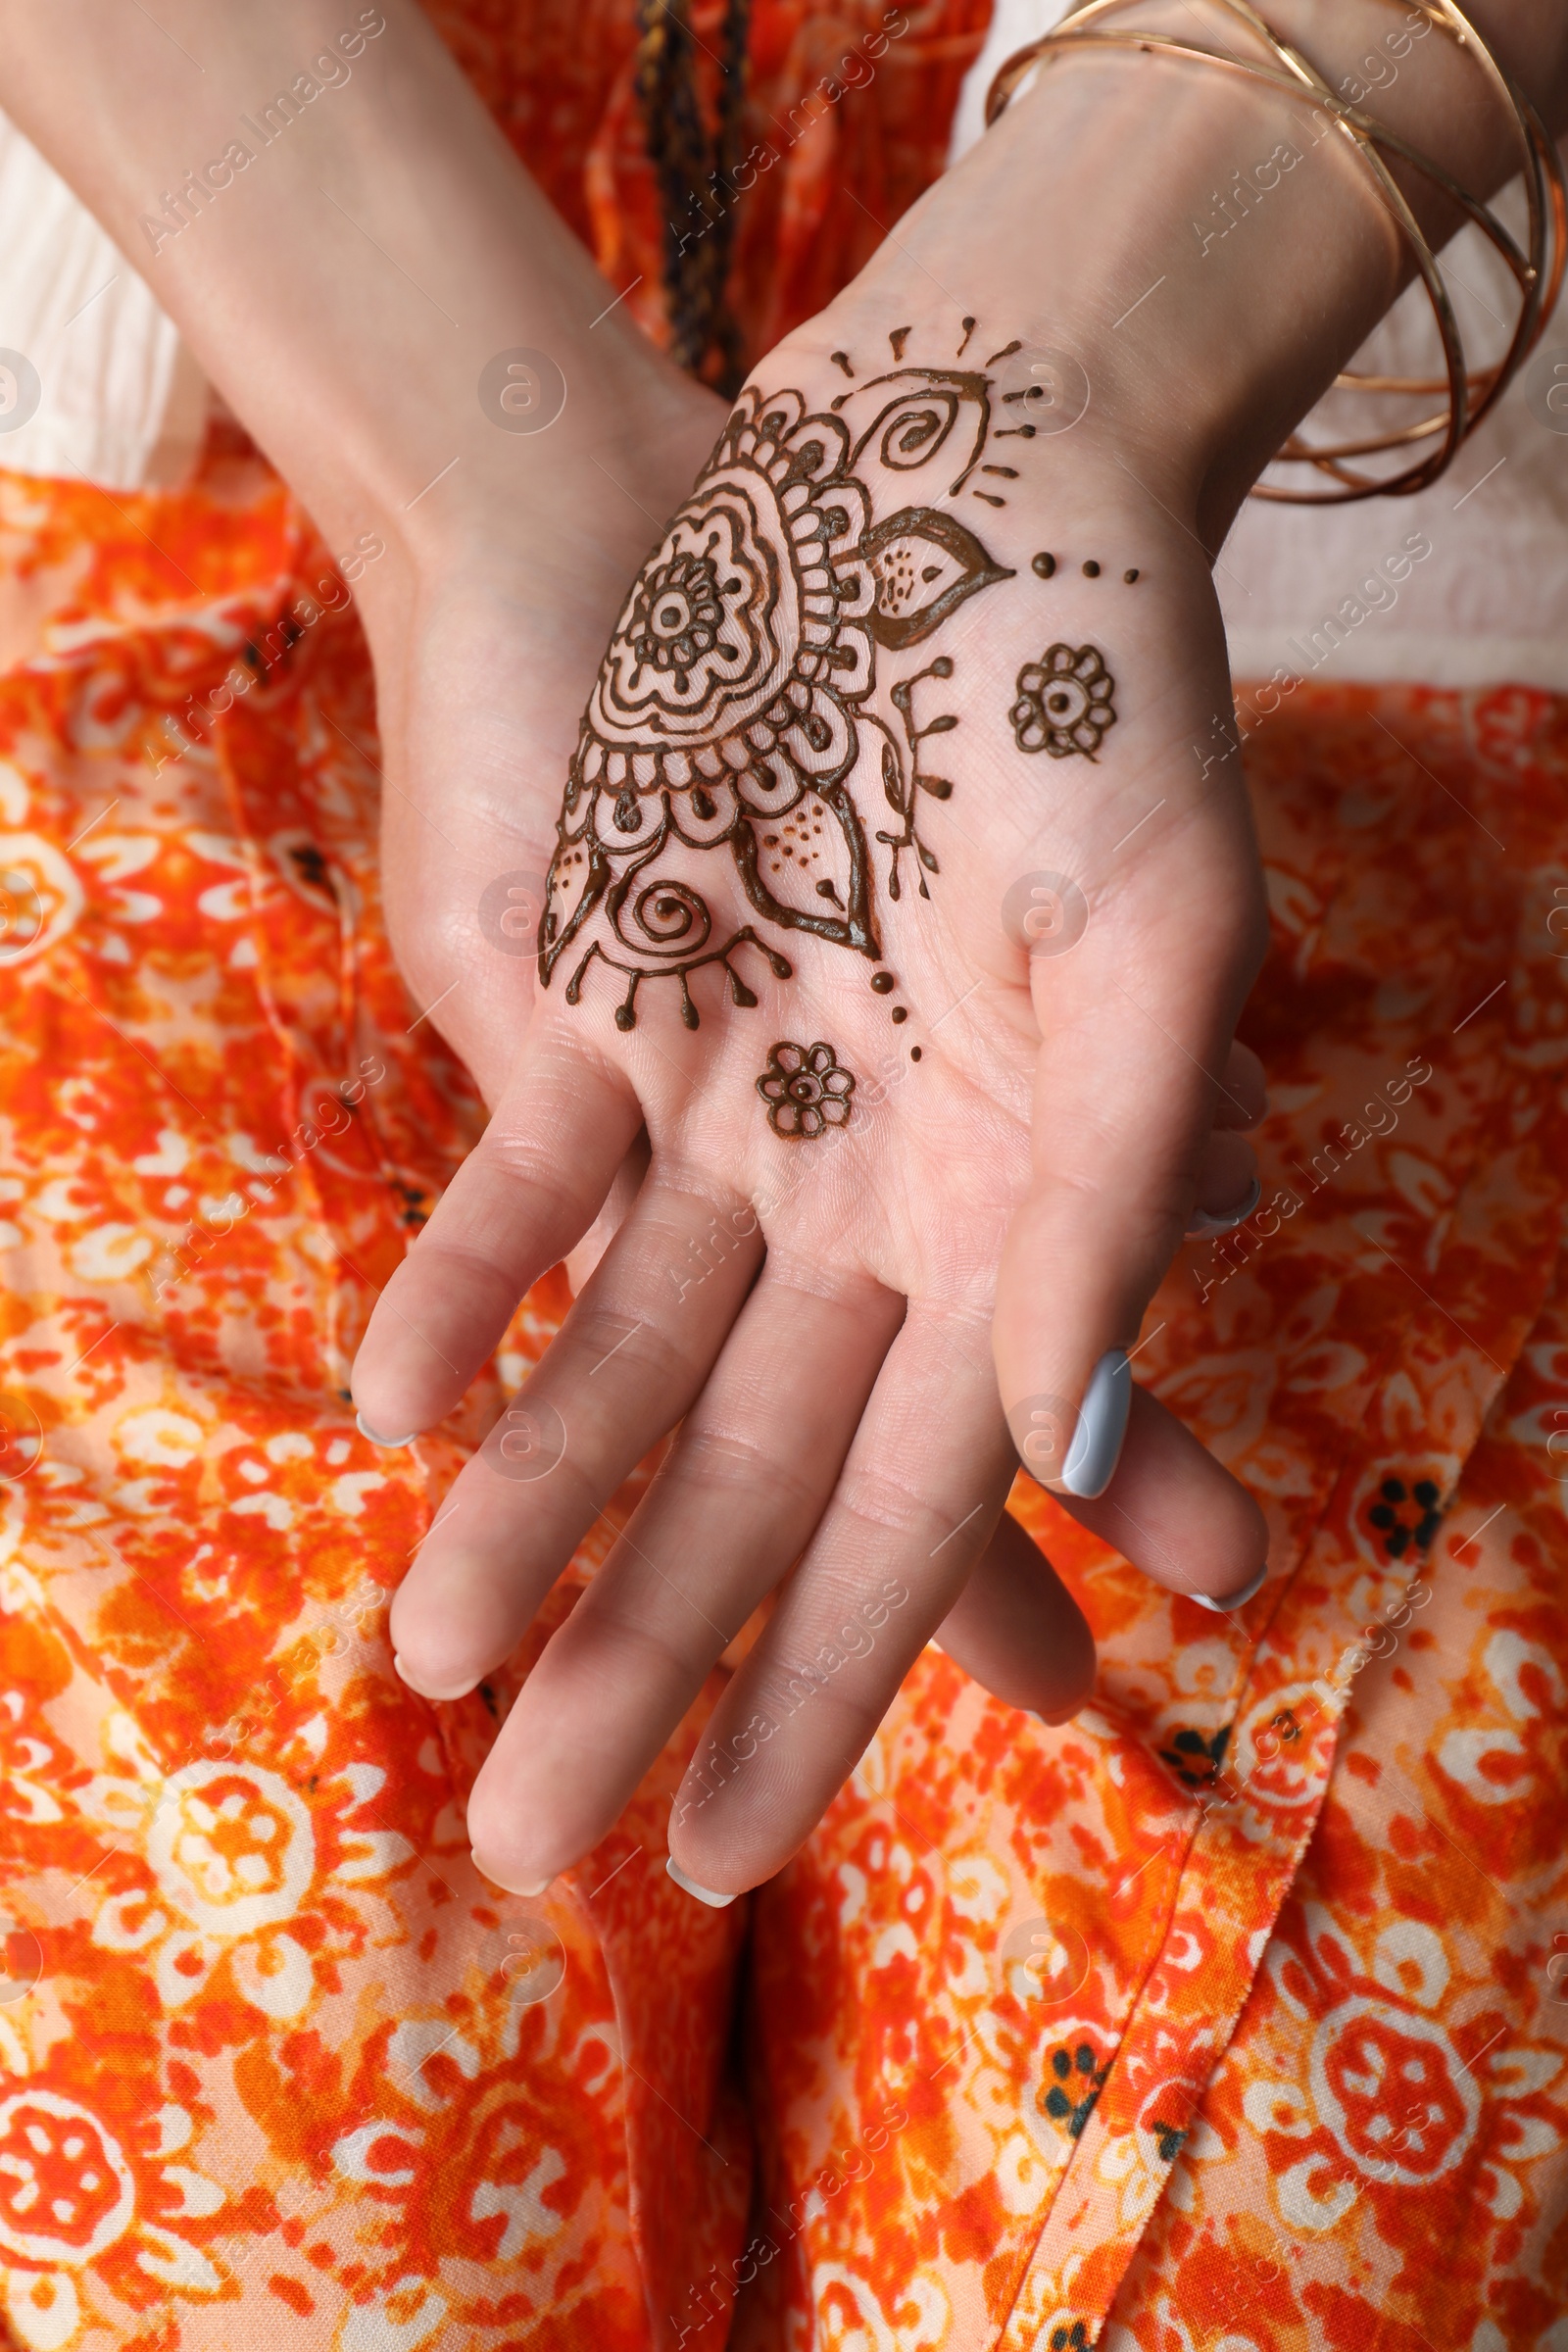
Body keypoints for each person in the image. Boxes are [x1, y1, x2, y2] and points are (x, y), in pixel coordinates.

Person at [0, 1, 1564, 2343]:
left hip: (1383, 527)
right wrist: (466, 467)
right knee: (266, 2080)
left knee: (1338, 2034)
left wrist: (1088, 327)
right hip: (213, 402)